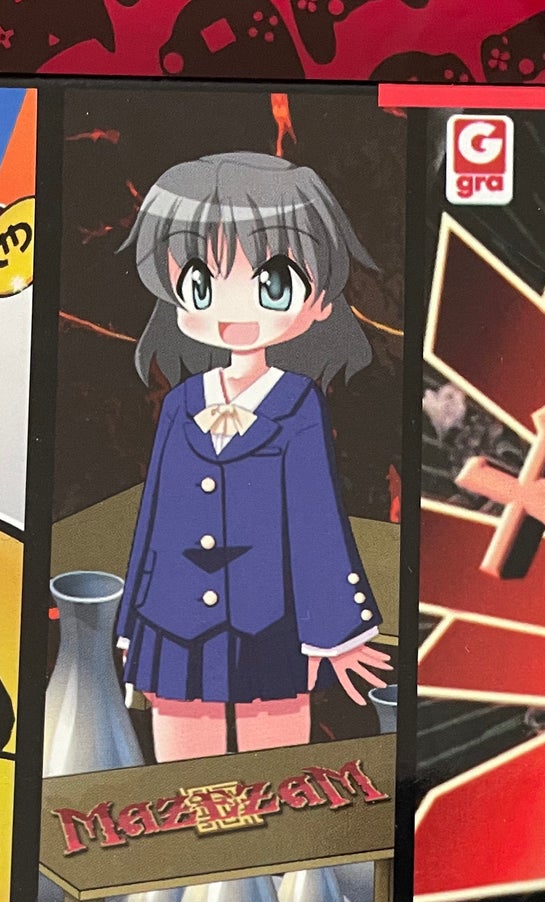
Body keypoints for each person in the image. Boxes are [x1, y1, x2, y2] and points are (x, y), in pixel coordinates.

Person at [119, 151, 390, 761]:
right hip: (174, 622)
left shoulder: (299, 404)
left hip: (270, 623)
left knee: (275, 781)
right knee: (182, 785)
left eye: (272, 285)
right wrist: (134, 623)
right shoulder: (180, 403)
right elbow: (156, 518)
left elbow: (317, 523)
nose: (234, 311)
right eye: (200, 284)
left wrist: (336, 631)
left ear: (321, 301)